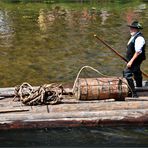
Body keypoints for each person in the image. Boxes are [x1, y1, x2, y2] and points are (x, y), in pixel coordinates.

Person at [123, 21, 146, 98]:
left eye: (132, 28)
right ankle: (140, 88)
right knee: (136, 72)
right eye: (130, 28)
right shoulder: (134, 37)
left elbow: (138, 52)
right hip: (133, 60)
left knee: (127, 73)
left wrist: (131, 61)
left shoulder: (139, 38)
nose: (130, 29)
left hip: (135, 60)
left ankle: (134, 94)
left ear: (136, 29)